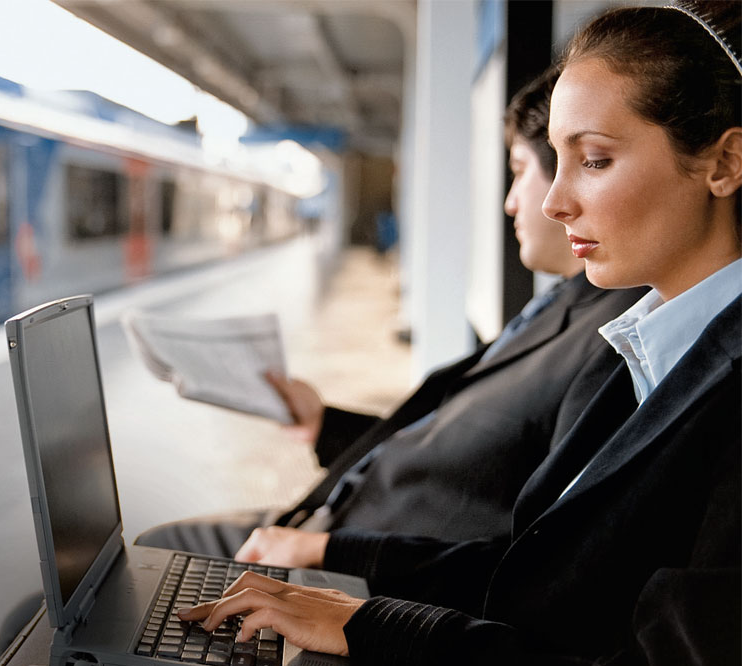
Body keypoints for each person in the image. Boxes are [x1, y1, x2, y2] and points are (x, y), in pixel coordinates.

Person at [180, 2, 741, 666]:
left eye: (594, 160)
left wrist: (371, 623)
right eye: (554, 161)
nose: (554, 202)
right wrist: (348, 598)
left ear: (724, 163)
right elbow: (526, 574)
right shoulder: (636, 350)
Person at [134, 69, 646, 561]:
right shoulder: (562, 303)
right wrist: (322, 423)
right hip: (341, 522)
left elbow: (527, 555)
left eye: (518, 173)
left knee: (158, 550)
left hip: (366, 567)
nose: (516, 204)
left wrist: (330, 550)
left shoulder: (620, 339)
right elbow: (451, 453)